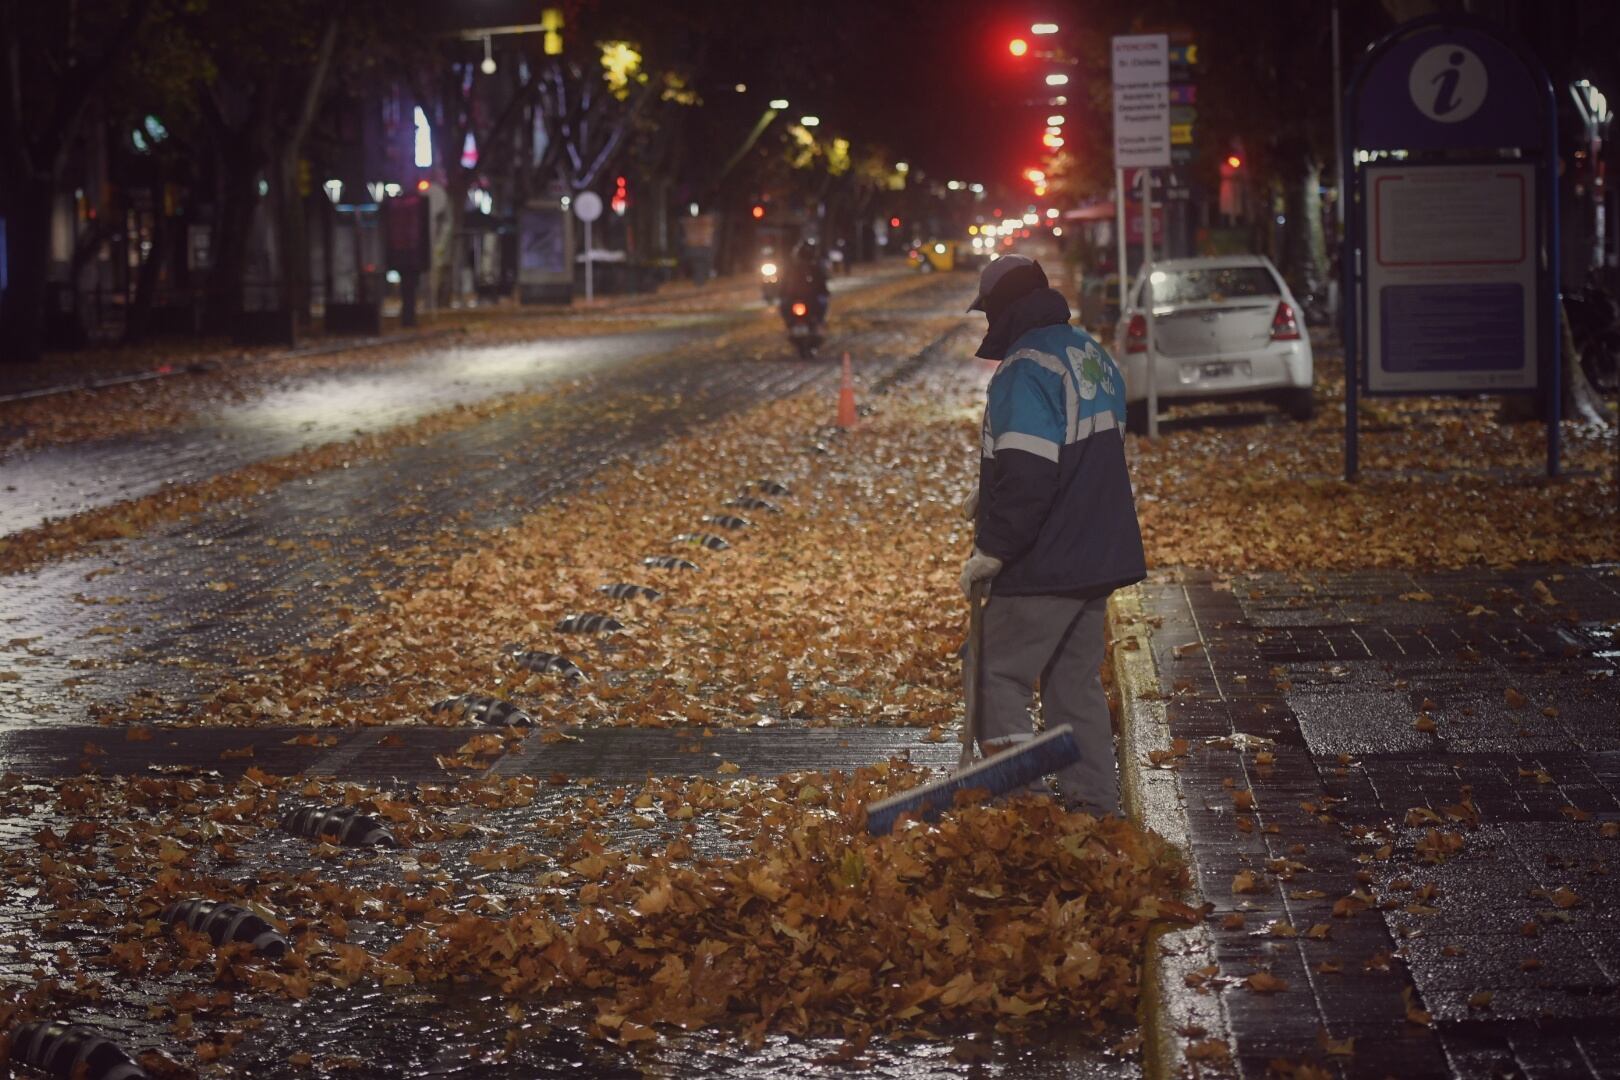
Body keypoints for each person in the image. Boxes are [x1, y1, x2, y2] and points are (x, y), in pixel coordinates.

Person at [959, 254, 1146, 815]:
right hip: (1099, 551)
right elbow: (1078, 453)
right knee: (1073, 682)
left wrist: (993, 549)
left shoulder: (1023, 369)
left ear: (1001, 310)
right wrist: (988, 490)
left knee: (993, 669)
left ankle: (1024, 807)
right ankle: (1095, 805)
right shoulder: (1088, 354)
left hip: (1048, 558)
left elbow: (1031, 476)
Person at [779, 238, 830, 323]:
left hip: (810, 297)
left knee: (822, 303)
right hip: (794, 297)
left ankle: (819, 322)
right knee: (784, 305)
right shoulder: (792, 268)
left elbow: (822, 281)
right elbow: (784, 282)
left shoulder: (815, 267)